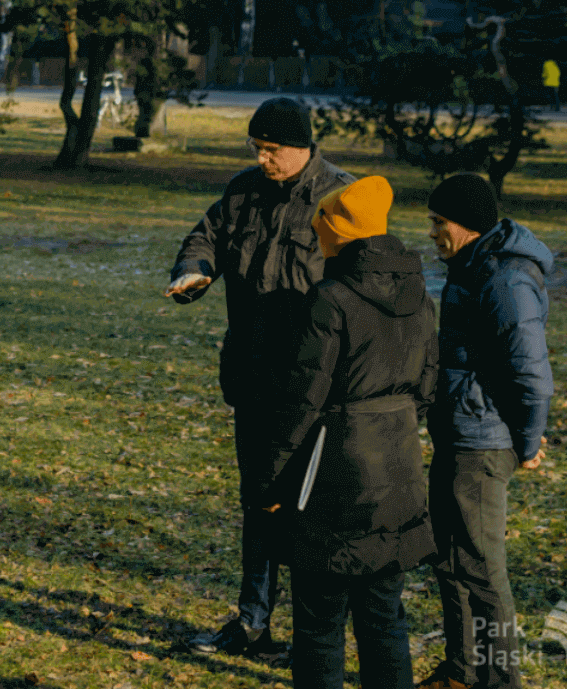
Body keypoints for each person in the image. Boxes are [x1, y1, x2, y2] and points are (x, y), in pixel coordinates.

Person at [166, 97, 353, 658]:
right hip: (252, 377)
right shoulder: (242, 190)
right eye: (258, 149)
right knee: (260, 503)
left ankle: (315, 634)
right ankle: (253, 623)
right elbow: (206, 237)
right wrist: (193, 270)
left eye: (272, 150)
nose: (264, 158)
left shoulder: (340, 196)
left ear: (302, 147)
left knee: (312, 511)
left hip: (315, 387)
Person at [253, 175, 438, 689]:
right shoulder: (420, 295)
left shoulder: (330, 299)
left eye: (322, 229)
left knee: (318, 622)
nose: (316, 238)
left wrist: (270, 484)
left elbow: (302, 401)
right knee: (385, 617)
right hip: (399, 468)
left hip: (334, 477)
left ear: (339, 233)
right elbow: (427, 384)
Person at [419, 174, 553, 689]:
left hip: (483, 442)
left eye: (438, 222)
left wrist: (527, 440)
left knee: (483, 569)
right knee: (450, 560)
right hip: (457, 433)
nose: (432, 232)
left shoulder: (505, 280)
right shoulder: (470, 267)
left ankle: (500, 680)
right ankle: (462, 669)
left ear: (467, 225)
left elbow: (532, 373)